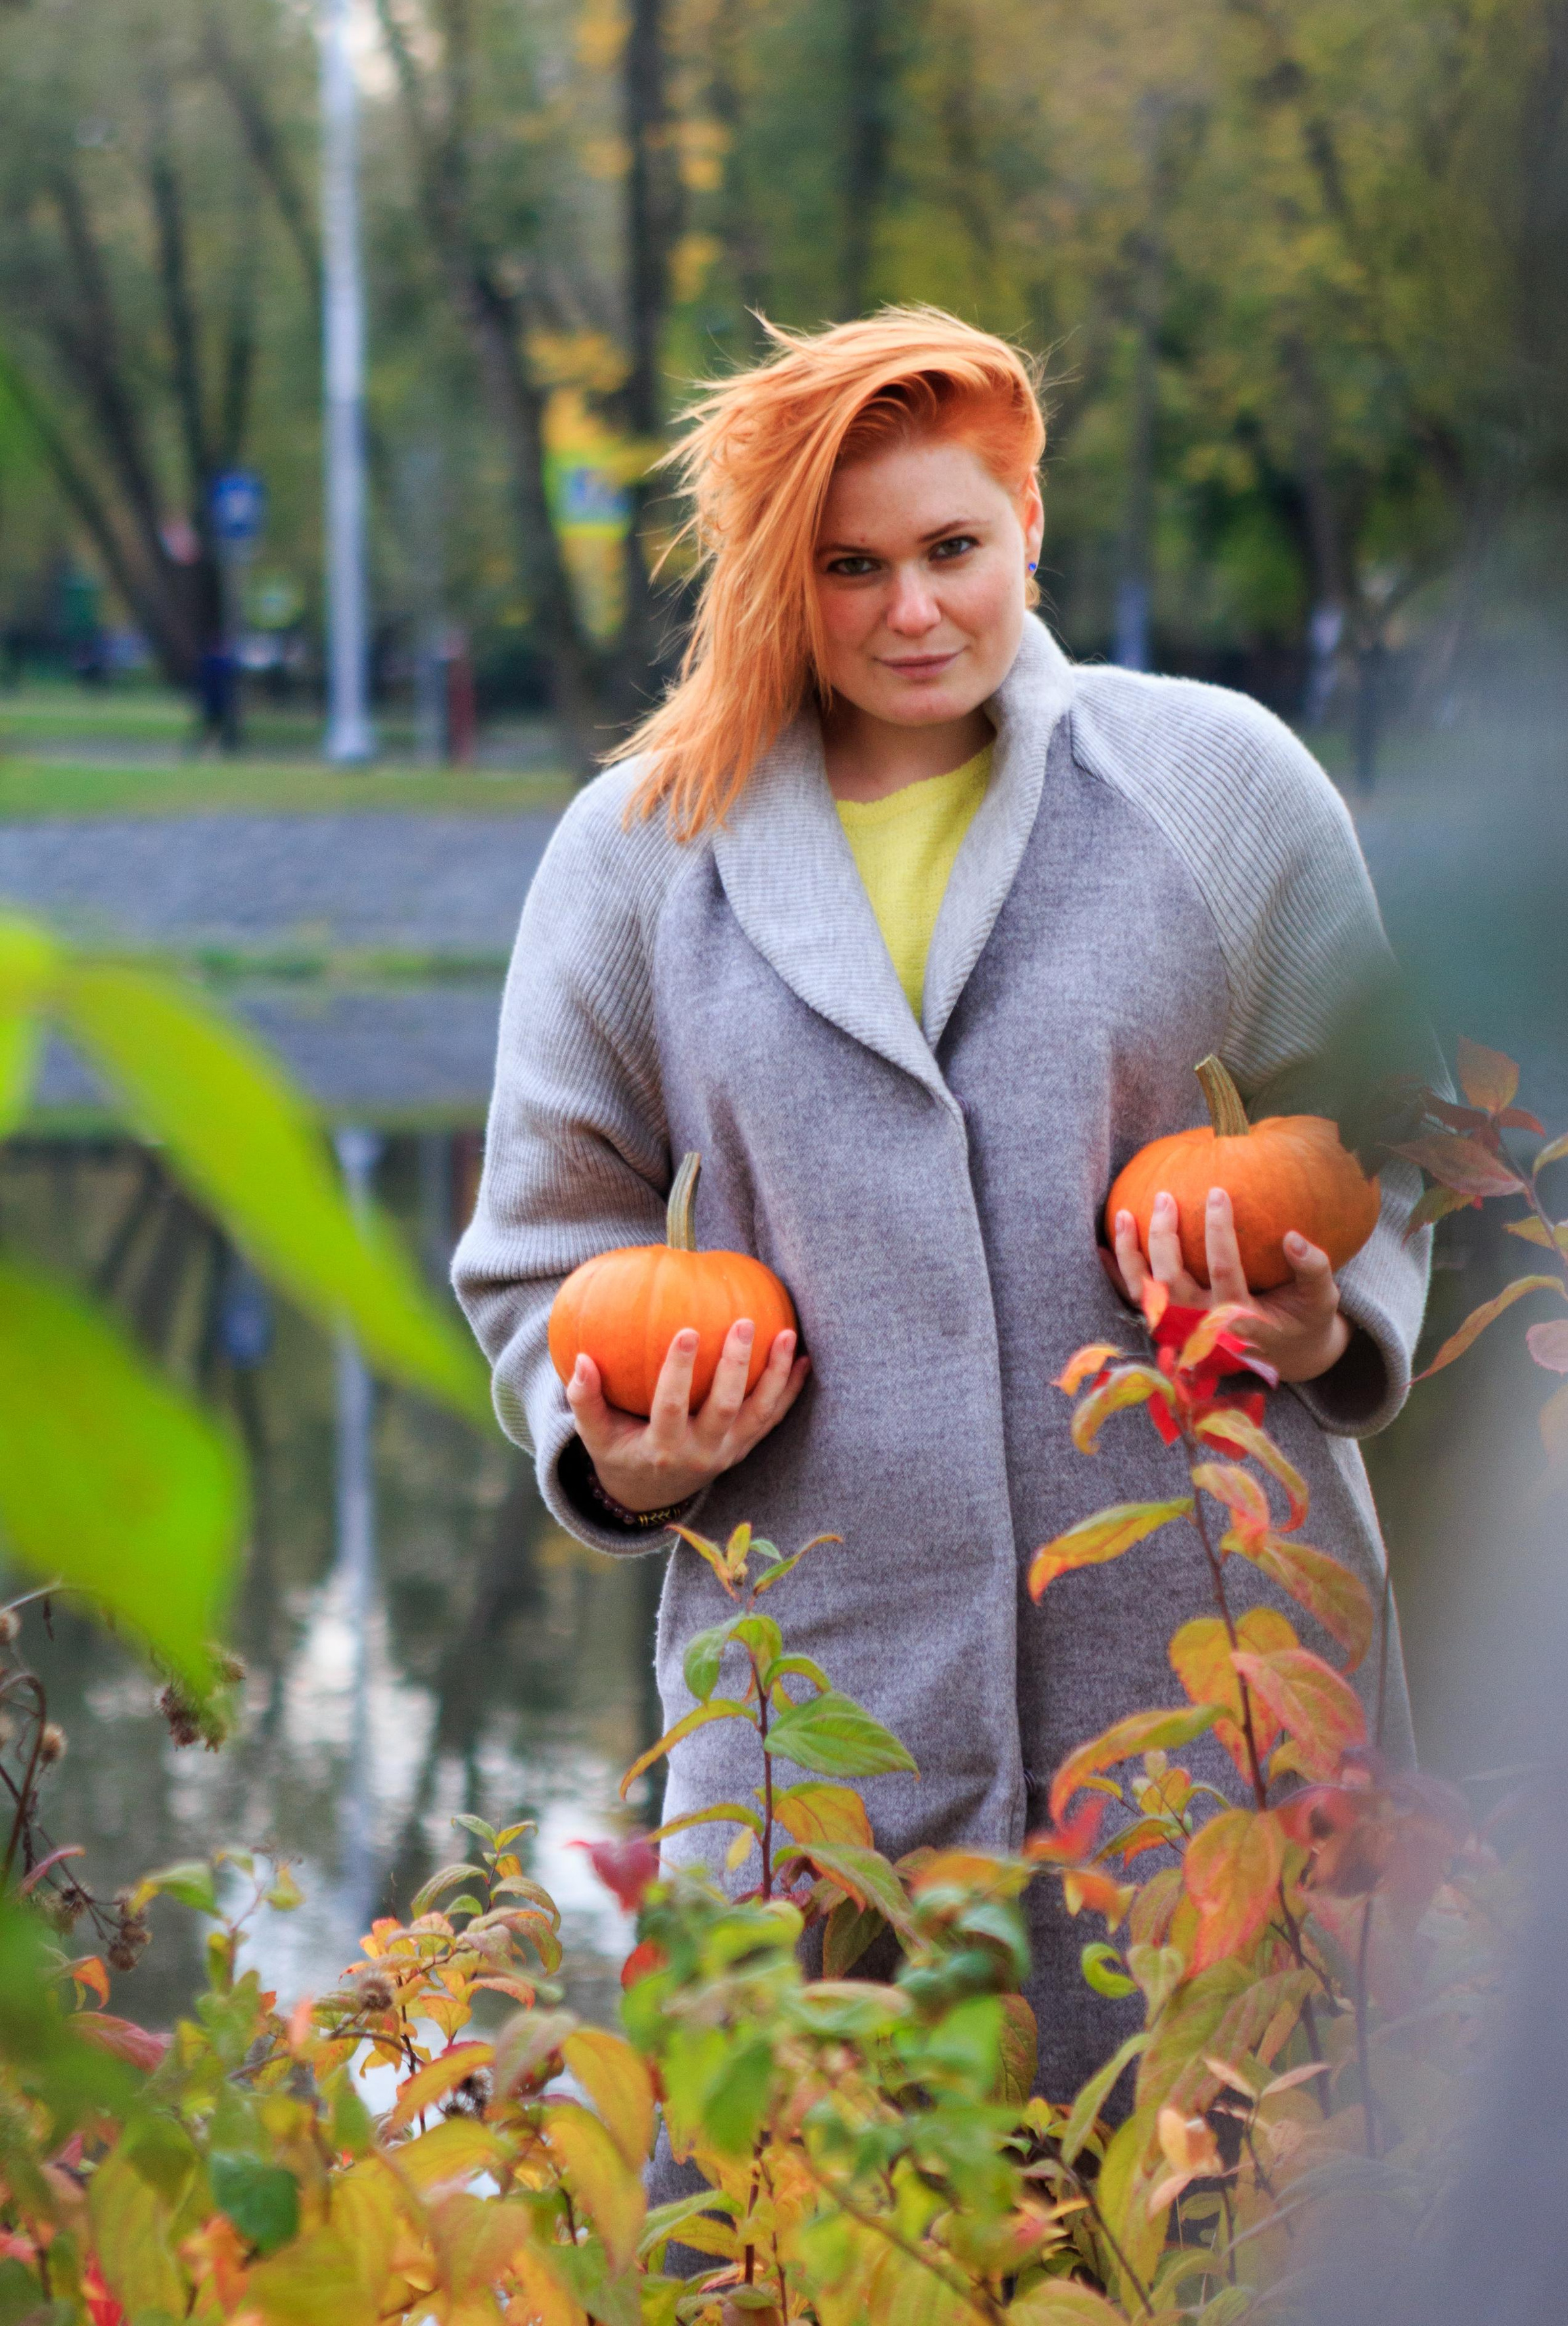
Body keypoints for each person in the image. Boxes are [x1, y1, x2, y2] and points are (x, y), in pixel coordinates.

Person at [451, 306, 1427, 2112]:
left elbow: (1386, 1121)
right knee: (817, 2235)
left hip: (1204, 1688)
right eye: (851, 566)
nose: (913, 609)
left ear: (1029, 529)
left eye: (952, 550)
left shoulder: (1216, 785)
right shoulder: (643, 853)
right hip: (817, 1717)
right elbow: (542, 1241)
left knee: (1250, 2213)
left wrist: (1325, 1307)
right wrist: (629, 1454)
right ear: (778, 576)